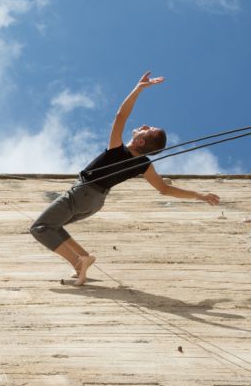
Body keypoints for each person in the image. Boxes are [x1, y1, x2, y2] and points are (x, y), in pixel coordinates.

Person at [30, 71, 220, 286]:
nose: (145, 125)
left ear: (139, 141)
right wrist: (200, 196)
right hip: (95, 203)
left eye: (147, 129)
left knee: (40, 227)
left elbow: (121, 115)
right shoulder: (144, 165)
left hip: (84, 192)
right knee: (54, 226)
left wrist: (138, 89)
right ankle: (84, 258)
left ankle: (77, 261)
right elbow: (164, 189)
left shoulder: (117, 149)